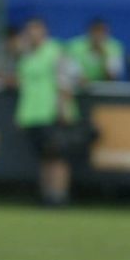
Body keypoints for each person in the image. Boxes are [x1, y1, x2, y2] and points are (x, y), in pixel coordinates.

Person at [14, 17, 86, 207]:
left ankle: (59, 195)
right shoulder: (27, 55)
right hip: (33, 115)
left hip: (52, 113)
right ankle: (47, 195)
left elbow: (70, 80)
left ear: (44, 32)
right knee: (44, 157)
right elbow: (24, 84)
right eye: (29, 31)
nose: (32, 35)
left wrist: (63, 108)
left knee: (58, 156)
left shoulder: (55, 52)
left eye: (36, 31)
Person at [65, 18, 124, 82]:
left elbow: (113, 76)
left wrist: (104, 55)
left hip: (106, 89)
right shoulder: (75, 46)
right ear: (88, 31)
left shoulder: (114, 47)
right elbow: (72, 72)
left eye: (102, 31)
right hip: (78, 88)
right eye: (95, 31)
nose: (98, 35)